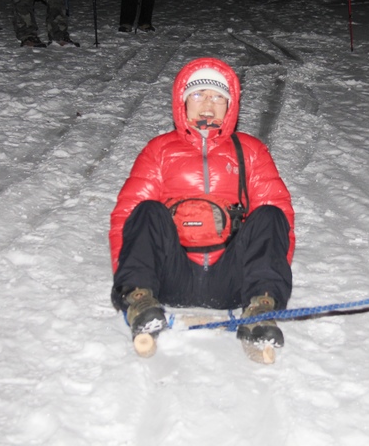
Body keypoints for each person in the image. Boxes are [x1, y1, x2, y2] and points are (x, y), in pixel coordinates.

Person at [108, 57, 295, 353]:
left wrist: (269, 279)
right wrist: (126, 279)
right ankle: (139, 300)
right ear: (182, 102)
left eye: (218, 97)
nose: (208, 104)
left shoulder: (251, 151)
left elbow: (279, 222)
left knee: (271, 214)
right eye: (198, 94)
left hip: (232, 280)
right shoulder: (159, 150)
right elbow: (125, 220)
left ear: (230, 105)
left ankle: (261, 307)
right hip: (171, 276)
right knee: (145, 211)